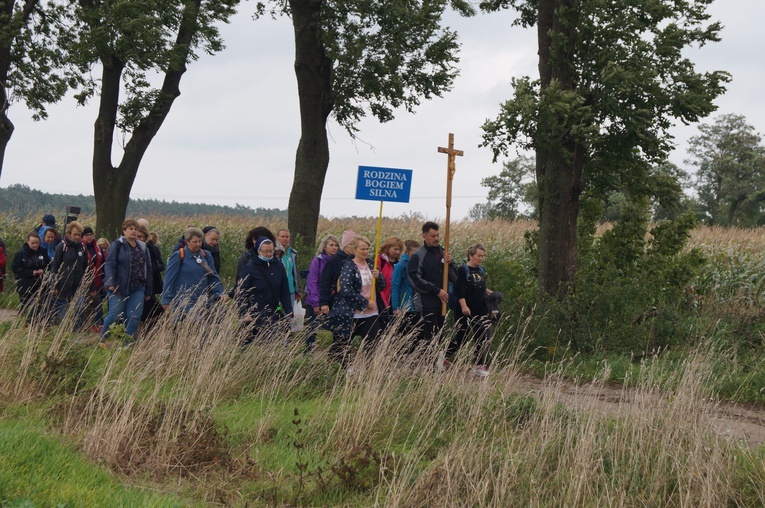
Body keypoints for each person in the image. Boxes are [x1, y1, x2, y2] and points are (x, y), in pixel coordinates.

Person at [329, 235, 386, 364]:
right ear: (354, 250)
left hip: (371, 313)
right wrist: (365, 303)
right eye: (362, 249)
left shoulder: (372, 264)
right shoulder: (348, 266)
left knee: (373, 344)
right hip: (352, 313)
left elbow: (382, 287)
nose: (365, 252)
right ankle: (339, 368)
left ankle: (369, 370)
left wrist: (379, 277)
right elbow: (346, 290)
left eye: (367, 249)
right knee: (343, 344)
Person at [100, 219, 153, 345]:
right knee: (115, 314)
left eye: (135, 229)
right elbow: (110, 264)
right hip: (119, 286)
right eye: (130, 229)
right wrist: (110, 282)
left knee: (134, 316)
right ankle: (102, 337)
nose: (133, 231)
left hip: (138, 287)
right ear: (124, 231)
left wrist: (148, 289)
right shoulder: (117, 245)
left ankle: (128, 343)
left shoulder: (143, 247)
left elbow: (148, 268)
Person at [407, 221, 458, 345]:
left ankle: (437, 362)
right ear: (424, 236)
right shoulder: (418, 256)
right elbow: (415, 279)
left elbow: (455, 277)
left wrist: (450, 263)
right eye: (433, 236)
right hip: (426, 303)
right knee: (428, 338)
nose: (436, 239)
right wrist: (436, 290)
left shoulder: (443, 252)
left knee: (440, 336)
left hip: (442, 302)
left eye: (438, 236)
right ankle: (424, 363)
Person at [236, 236, 293, 343]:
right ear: (258, 251)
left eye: (271, 251)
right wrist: (243, 312)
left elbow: (284, 290)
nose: (268, 254)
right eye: (265, 251)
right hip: (254, 312)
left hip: (274, 310)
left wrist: (289, 310)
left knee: (274, 341)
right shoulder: (250, 267)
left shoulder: (278, 265)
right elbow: (241, 291)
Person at [162, 226, 225, 317]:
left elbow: (213, 275)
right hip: (183, 298)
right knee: (193, 320)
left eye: (200, 241)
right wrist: (166, 300)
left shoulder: (206, 255)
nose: (198, 244)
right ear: (187, 242)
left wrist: (219, 292)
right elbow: (169, 278)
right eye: (195, 242)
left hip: (201, 297)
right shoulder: (179, 256)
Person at [451, 243, 493, 377]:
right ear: (471, 255)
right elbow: (459, 289)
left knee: (481, 337)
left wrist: (489, 293)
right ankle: (444, 356)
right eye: (478, 256)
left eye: (482, 256)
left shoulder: (481, 270)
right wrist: (464, 306)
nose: (480, 258)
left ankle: (480, 366)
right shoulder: (463, 270)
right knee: (461, 337)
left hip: (479, 308)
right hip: (465, 308)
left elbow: (479, 285)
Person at [304, 234, 340, 352]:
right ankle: (308, 352)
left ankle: (336, 352)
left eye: (336, 245)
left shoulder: (338, 262)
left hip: (332, 300)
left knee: (336, 326)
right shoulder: (318, 261)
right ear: (325, 247)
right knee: (313, 326)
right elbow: (312, 282)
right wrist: (316, 303)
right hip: (317, 299)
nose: (334, 248)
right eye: (331, 245)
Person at [50, 221, 88, 326]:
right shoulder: (62, 246)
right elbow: (55, 266)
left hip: (77, 285)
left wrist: (87, 284)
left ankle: (76, 331)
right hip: (63, 284)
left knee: (79, 308)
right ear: (69, 234)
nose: (77, 237)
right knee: (62, 311)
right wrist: (54, 285)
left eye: (79, 235)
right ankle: (62, 332)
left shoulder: (83, 247)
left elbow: (85, 267)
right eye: (75, 234)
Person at [11, 231, 50, 319]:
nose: (35, 245)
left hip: (40, 282)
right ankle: (20, 322)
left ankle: (32, 322)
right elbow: (15, 268)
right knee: (25, 304)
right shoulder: (20, 254)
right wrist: (31, 272)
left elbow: (49, 264)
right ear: (27, 241)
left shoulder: (42, 252)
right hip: (25, 283)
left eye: (37, 243)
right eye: (33, 243)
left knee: (39, 304)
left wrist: (43, 270)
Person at [391, 239, 420, 337]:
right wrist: (395, 307)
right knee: (404, 335)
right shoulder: (401, 266)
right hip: (404, 307)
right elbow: (395, 287)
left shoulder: (417, 265)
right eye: (414, 253)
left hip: (416, 306)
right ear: (407, 252)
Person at [137, 225, 164, 329]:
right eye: (139, 237)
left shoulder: (150, 249)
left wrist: (151, 268)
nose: (142, 239)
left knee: (157, 311)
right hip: (137, 286)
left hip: (150, 285)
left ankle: (147, 332)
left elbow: (160, 265)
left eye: (144, 237)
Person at [81, 226, 105, 332]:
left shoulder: (98, 248)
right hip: (85, 282)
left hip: (98, 280)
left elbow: (103, 263)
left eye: (91, 234)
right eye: (86, 235)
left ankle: (99, 327)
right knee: (87, 306)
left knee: (98, 305)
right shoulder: (81, 248)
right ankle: (86, 327)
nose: (89, 237)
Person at [376, 236, 403, 324]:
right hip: (383, 297)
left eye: (399, 250)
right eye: (395, 249)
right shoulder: (380, 261)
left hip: (396, 297)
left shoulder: (400, 263)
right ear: (387, 248)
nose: (397, 252)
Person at [277, 228, 302, 306]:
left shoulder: (292, 253)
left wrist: (297, 290)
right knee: (279, 310)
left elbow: (294, 272)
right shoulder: (274, 253)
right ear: (277, 238)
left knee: (290, 313)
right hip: (279, 290)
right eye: (282, 236)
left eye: (287, 237)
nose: (285, 239)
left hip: (290, 290)